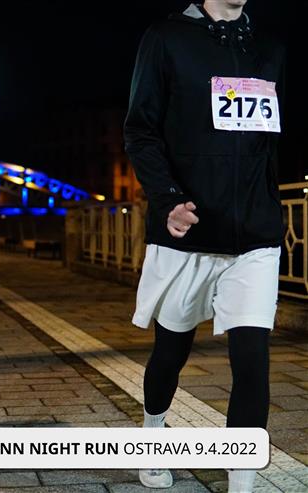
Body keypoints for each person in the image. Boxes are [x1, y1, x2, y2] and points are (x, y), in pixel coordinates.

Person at [124, 1, 284, 491]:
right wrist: (168, 199)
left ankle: (242, 484)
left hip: (255, 235)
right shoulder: (166, 37)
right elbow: (140, 130)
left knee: (253, 362)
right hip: (188, 231)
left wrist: (268, 206)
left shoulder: (269, 46)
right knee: (170, 352)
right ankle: (153, 435)